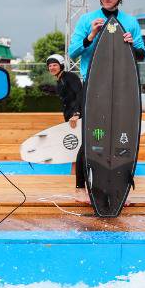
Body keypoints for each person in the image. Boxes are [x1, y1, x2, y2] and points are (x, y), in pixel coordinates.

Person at [67, 0, 145, 80]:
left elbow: (142, 56)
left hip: (123, 81)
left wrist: (130, 47)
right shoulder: (86, 19)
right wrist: (91, 36)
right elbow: (72, 53)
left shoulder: (131, 21)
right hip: (93, 80)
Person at [45, 54, 87, 190]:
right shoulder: (60, 80)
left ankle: (79, 177)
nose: (52, 67)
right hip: (70, 118)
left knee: (79, 145)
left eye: (55, 65)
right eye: (50, 65)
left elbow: (79, 94)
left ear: (61, 65)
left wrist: (76, 114)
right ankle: (74, 174)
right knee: (75, 145)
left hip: (76, 117)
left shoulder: (69, 77)